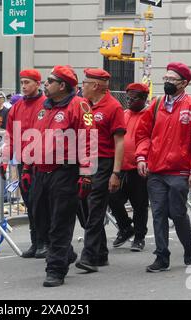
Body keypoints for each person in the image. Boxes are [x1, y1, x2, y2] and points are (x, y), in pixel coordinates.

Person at [135, 62, 191, 272]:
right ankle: (162, 256)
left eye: (172, 79)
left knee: (177, 213)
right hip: (156, 171)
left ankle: (189, 245)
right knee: (159, 213)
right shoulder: (157, 103)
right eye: (166, 78)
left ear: (184, 83)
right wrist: (142, 156)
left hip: (180, 171)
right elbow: (143, 134)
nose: (168, 82)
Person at [25, 65, 95, 287]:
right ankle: (65, 252)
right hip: (41, 172)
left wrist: (86, 175)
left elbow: (88, 141)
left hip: (65, 172)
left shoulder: (80, 106)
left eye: (50, 80)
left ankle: (55, 269)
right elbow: (33, 138)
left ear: (62, 85)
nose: (46, 84)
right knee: (40, 219)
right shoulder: (44, 107)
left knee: (60, 223)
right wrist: (27, 167)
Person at [75, 68, 125, 273]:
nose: (82, 86)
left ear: (95, 86)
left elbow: (119, 142)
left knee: (95, 208)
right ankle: (101, 252)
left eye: (85, 83)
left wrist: (116, 172)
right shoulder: (85, 106)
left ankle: (89, 256)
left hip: (104, 163)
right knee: (85, 207)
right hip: (86, 163)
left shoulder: (113, 107)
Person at [1, 69, 49, 259]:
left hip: (42, 161)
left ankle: (45, 241)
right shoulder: (17, 107)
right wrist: (5, 160)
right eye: (22, 82)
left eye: (27, 82)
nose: (24, 86)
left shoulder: (46, 105)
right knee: (29, 201)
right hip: (23, 161)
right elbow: (10, 136)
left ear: (37, 84)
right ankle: (35, 241)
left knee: (41, 203)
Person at [109, 83, 149, 252]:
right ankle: (126, 227)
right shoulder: (124, 114)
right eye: (128, 98)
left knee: (139, 204)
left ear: (143, 99)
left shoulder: (149, 115)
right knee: (113, 199)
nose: (130, 101)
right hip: (121, 167)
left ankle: (139, 237)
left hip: (139, 168)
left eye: (134, 98)